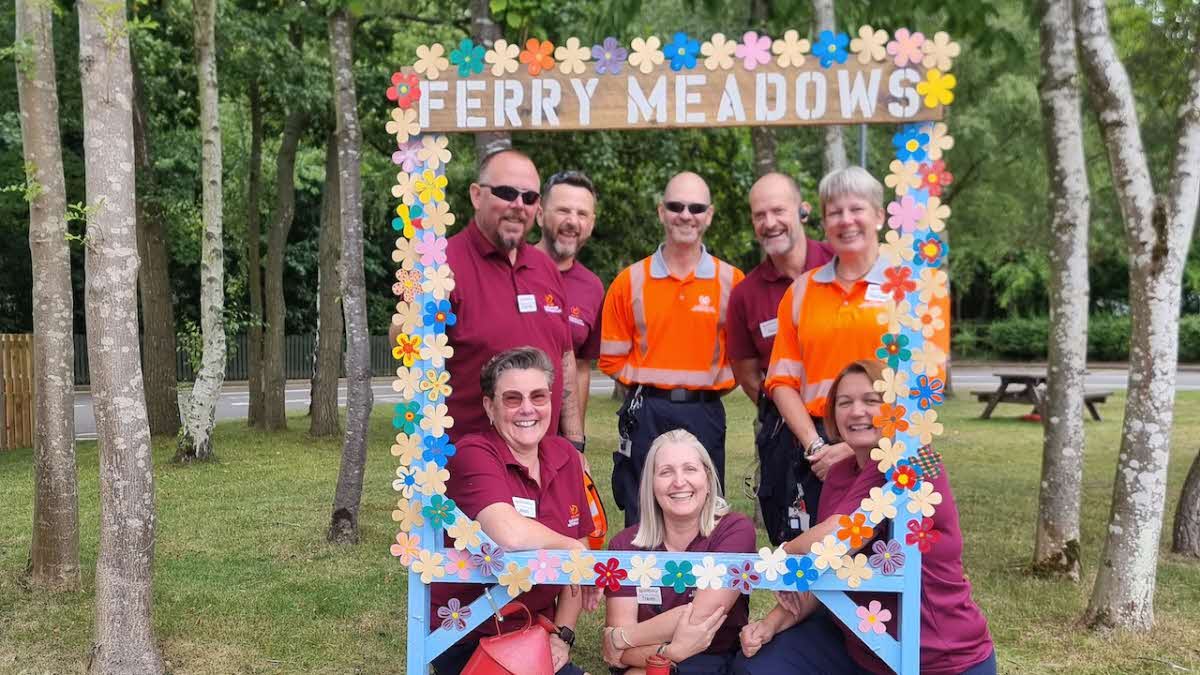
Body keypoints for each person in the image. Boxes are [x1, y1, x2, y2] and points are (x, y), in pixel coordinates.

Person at [734, 359, 996, 675]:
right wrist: (771, 624)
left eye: (871, 400)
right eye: (845, 403)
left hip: (939, 659)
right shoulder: (839, 473)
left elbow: (840, 536)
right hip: (863, 649)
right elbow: (829, 564)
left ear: (895, 409)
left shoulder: (911, 463)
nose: (857, 411)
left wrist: (783, 555)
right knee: (760, 665)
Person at [764, 166, 949, 486]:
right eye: (835, 212)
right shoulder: (801, 292)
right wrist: (817, 446)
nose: (846, 220)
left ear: (879, 216)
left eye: (856, 209)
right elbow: (781, 381)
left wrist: (854, 447)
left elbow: (928, 381)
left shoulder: (918, 287)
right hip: (819, 454)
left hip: (893, 447)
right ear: (825, 223)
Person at [431, 347, 591, 675]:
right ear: (489, 407)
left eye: (538, 396)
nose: (527, 409)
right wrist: (571, 547)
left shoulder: (566, 456)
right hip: (468, 633)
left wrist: (562, 636)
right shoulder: (473, 453)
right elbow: (508, 533)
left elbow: (581, 551)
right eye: (512, 399)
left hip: (534, 633)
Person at [599, 172, 744, 526]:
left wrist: (706, 384)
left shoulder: (732, 282)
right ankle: (642, 566)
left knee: (705, 511)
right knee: (643, 512)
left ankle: (703, 567)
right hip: (647, 411)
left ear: (709, 215)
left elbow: (744, 361)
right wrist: (652, 384)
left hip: (705, 411)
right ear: (661, 211)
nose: (686, 215)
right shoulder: (630, 281)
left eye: (696, 208)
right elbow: (611, 359)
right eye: (676, 206)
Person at [442, 149, 585, 447]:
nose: (519, 205)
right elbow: (403, 345)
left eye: (529, 197)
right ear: (476, 195)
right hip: (471, 461)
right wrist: (420, 305)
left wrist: (574, 443)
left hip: (543, 460)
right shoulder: (442, 264)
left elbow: (564, 357)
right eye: (507, 193)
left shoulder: (545, 267)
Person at [725, 173, 834, 546]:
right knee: (791, 539)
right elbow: (746, 373)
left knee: (856, 535)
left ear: (803, 210)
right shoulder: (746, 294)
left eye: (778, 210)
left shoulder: (840, 263)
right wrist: (790, 414)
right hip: (784, 437)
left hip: (850, 428)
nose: (769, 222)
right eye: (759, 215)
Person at [603, 429, 756, 675]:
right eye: (666, 472)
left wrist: (622, 637)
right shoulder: (624, 545)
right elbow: (619, 657)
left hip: (717, 660)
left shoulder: (735, 530)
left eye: (690, 469)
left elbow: (701, 615)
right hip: (651, 665)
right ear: (651, 485)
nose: (679, 481)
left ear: (708, 479)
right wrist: (672, 652)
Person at [535, 170, 605, 429]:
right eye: (563, 210)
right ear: (540, 214)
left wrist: (576, 439)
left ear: (591, 223)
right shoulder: (511, 269)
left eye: (582, 214)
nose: (572, 221)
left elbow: (582, 367)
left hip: (557, 437)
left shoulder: (593, 288)